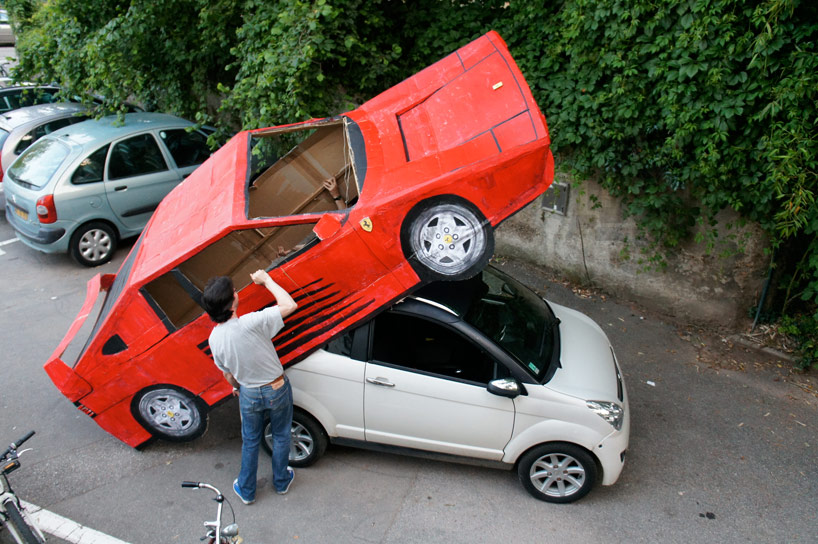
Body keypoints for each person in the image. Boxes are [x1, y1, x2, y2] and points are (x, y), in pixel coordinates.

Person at [202, 270, 298, 504]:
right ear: (232, 302)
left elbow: (228, 373)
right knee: (282, 434)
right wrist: (266, 280)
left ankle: (246, 490)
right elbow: (289, 304)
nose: (236, 292)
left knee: (251, 441)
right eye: (233, 291)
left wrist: (237, 387)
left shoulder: (214, 339)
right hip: (276, 387)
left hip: (248, 392)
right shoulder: (251, 322)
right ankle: (281, 482)